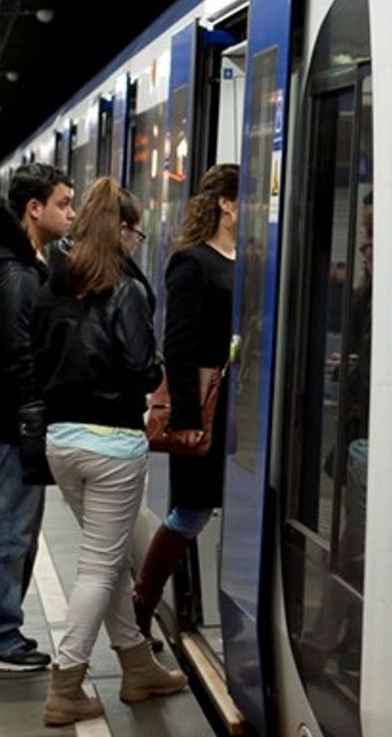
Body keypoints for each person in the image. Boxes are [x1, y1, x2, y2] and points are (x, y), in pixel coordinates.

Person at [32, 178, 186, 725]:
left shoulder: (53, 278)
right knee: (99, 567)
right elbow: (143, 365)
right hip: (113, 443)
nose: (138, 240)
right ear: (119, 229)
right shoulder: (127, 287)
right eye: (136, 231)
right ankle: (67, 682)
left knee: (110, 558)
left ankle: (138, 666)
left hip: (61, 441)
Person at [0, 163, 74, 671]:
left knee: (13, 527)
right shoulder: (13, 273)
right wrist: (34, 421)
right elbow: (17, 355)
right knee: (6, 529)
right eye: (64, 204)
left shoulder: (11, 262)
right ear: (34, 209)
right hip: (9, 420)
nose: (70, 214)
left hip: (2, 415)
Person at [133, 163, 238, 643]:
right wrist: (190, 419)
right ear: (226, 204)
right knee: (192, 511)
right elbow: (177, 345)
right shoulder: (192, 263)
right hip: (208, 407)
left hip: (244, 409)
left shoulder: (252, 261)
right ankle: (142, 606)